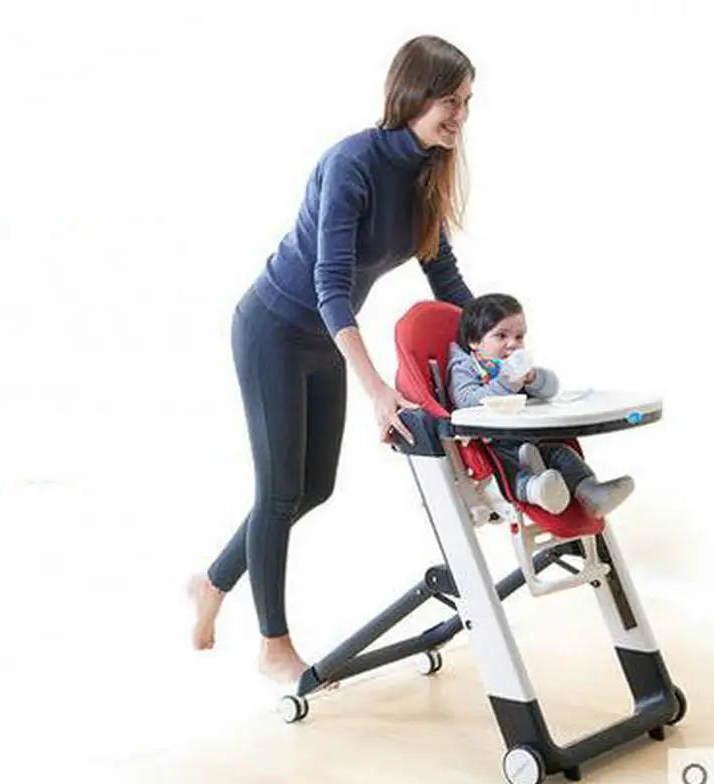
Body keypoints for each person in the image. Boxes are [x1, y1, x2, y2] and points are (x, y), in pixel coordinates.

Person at [188, 35, 475, 685]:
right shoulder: (352, 163)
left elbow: (449, 283)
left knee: (313, 488)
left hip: (324, 338)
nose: (459, 115)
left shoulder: (427, 175)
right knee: (280, 490)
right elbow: (329, 286)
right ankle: (273, 645)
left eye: (467, 102)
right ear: (412, 95)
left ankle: (210, 584)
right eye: (449, 100)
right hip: (273, 329)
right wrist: (377, 387)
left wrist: (498, 344)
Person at [447, 293, 635, 516]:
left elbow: (551, 389)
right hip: (495, 442)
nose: (513, 344)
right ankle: (537, 491)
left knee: (561, 453)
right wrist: (506, 383)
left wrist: (534, 378)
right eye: (501, 336)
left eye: (519, 337)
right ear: (474, 341)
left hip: (531, 435)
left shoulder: (515, 364)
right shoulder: (465, 367)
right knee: (507, 465)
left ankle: (592, 492)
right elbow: (467, 401)